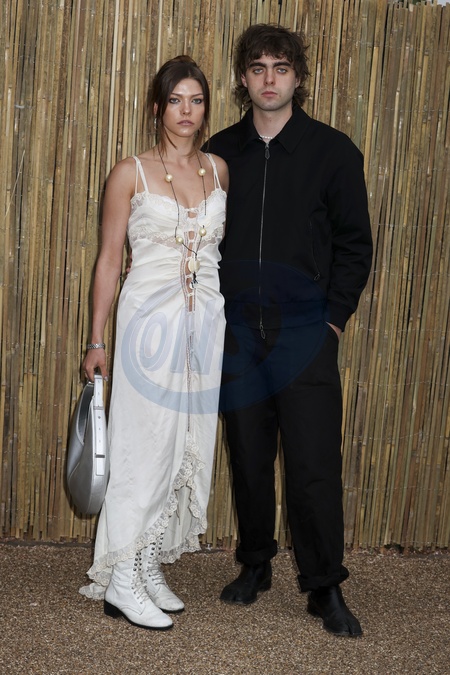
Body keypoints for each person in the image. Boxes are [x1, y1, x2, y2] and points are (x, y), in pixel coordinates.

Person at [206, 24, 372, 637]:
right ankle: (255, 564)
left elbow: (355, 244)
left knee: (313, 464)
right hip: (238, 335)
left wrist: (333, 318)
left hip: (306, 334)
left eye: (280, 67)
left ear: (298, 76)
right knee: (249, 458)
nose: (269, 79)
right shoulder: (221, 153)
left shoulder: (333, 152)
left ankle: (324, 585)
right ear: (243, 78)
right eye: (258, 68)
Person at [80, 55, 228, 630]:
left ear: (206, 107)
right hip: (148, 327)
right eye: (175, 100)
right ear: (157, 107)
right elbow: (109, 260)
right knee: (141, 446)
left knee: (184, 442)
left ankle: (145, 562)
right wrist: (96, 339)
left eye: (196, 100)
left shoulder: (219, 171)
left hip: (204, 326)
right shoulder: (131, 173)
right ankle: (121, 576)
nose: (186, 110)